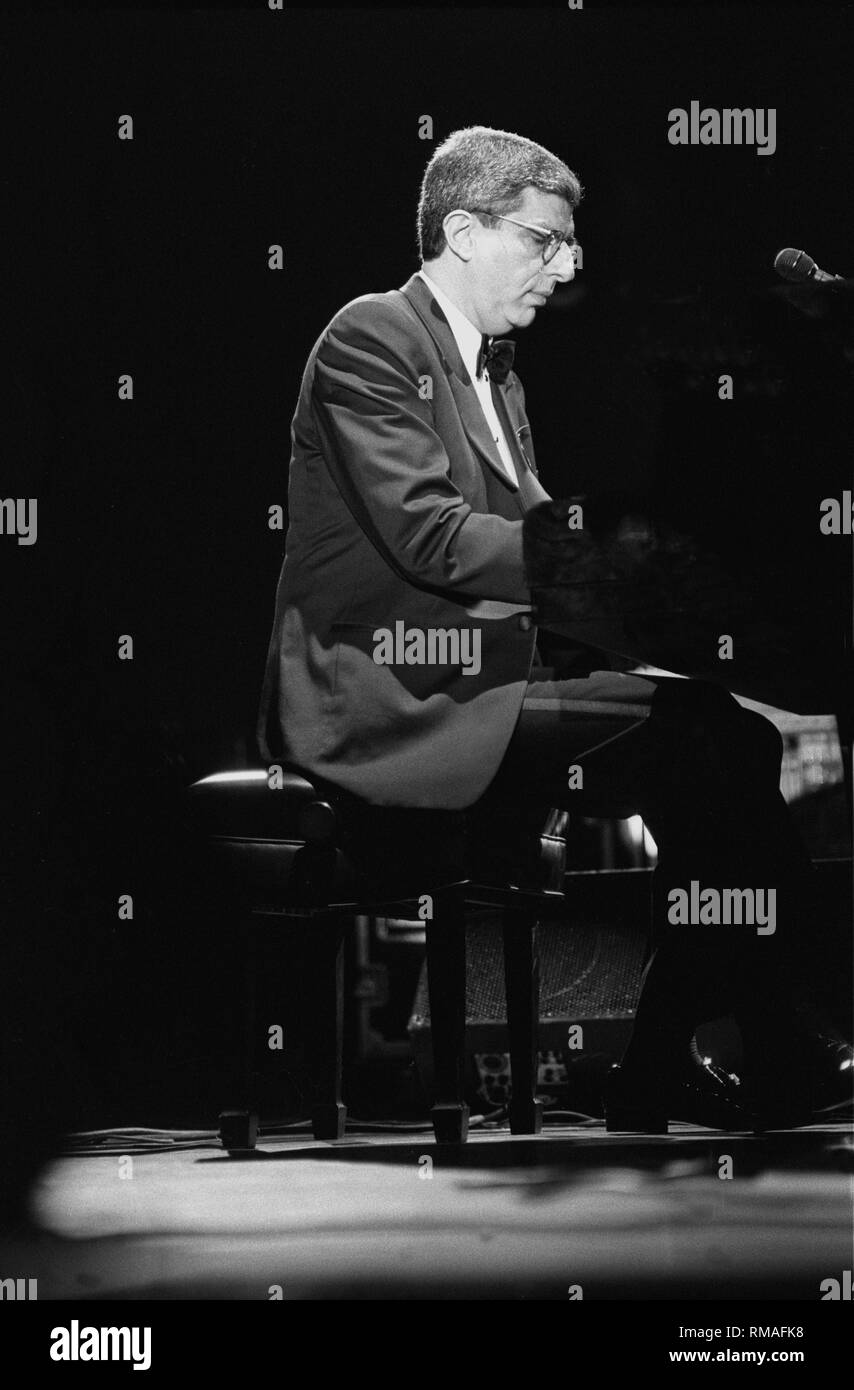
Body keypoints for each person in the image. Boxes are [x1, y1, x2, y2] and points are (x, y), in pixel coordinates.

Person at [257, 125, 850, 1131]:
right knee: (704, 738)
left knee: (729, 740)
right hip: (395, 701)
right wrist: (623, 563)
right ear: (461, 232)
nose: (569, 264)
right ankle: (713, 1054)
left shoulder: (500, 373)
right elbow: (434, 539)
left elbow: (537, 550)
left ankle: (678, 1060)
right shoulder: (371, 338)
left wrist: (678, 598)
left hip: (487, 686)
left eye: (570, 244)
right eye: (543, 240)